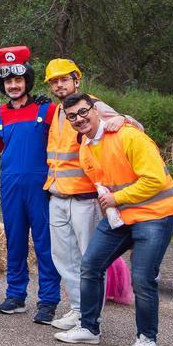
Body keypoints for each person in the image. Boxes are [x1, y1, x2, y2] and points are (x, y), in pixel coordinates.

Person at [54, 93, 173, 346]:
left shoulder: (129, 136)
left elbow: (155, 180)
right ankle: (89, 328)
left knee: (142, 278)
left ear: (96, 110)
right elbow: (104, 186)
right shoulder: (85, 147)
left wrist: (117, 198)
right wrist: (112, 206)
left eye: (83, 112)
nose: (79, 119)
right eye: (72, 116)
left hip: (156, 215)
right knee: (90, 264)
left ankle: (147, 338)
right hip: (121, 217)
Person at [41, 58, 127, 331]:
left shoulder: (92, 105)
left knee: (90, 262)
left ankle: (90, 317)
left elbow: (127, 125)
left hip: (85, 198)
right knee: (65, 259)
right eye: (54, 81)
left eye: (63, 79)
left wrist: (123, 119)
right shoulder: (58, 110)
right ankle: (78, 310)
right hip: (58, 195)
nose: (59, 85)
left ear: (76, 80)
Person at [0, 45, 61, 324]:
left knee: (45, 244)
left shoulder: (48, 109)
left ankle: (48, 301)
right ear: (3, 85)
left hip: (40, 187)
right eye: (8, 81)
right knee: (15, 242)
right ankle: (16, 295)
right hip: (10, 188)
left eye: (18, 80)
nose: (14, 85)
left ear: (27, 81)